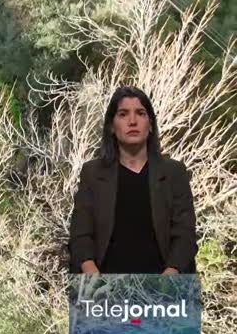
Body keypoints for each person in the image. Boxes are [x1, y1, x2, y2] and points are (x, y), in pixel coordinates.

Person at [69, 86, 198, 274]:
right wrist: (89, 270)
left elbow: (185, 234)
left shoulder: (173, 173)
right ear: (112, 126)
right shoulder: (92, 173)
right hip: (105, 290)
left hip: (164, 290)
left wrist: (172, 273)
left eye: (140, 113)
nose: (132, 121)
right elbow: (80, 233)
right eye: (123, 114)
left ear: (151, 124)